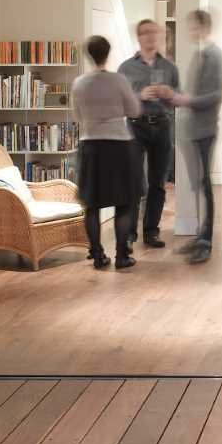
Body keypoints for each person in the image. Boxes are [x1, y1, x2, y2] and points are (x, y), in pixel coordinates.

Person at [144, 7, 222, 264]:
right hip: (194, 130)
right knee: (199, 185)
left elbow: (217, 95)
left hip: (205, 130)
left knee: (206, 187)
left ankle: (206, 241)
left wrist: (184, 99)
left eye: (193, 27)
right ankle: (201, 237)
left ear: (203, 27)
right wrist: (176, 96)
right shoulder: (200, 55)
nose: (191, 31)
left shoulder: (214, 56)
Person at [70, 34, 143, 270]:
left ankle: (98, 255)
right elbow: (133, 111)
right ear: (108, 53)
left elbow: (77, 116)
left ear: (89, 54)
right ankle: (122, 256)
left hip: (91, 146)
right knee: (124, 202)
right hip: (118, 146)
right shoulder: (118, 80)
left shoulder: (79, 83)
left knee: (92, 204)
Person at [117, 18, 180, 249]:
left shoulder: (170, 68)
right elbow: (119, 103)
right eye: (145, 33)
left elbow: (178, 100)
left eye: (154, 32)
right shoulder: (125, 68)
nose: (150, 36)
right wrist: (139, 96)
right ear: (139, 36)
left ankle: (151, 232)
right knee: (134, 182)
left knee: (158, 183)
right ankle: (130, 234)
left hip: (163, 126)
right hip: (135, 126)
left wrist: (169, 93)